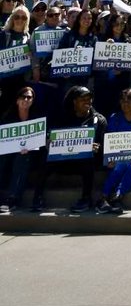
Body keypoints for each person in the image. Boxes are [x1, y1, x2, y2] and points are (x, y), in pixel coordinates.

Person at [31, 84, 107, 213]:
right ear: (74, 101)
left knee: (89, 159)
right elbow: (50, 136)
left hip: (83, 162)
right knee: (45, 157)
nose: (87, 102)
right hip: (62, 160)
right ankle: (37, 197)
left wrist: (96, 148)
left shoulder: (99, 120)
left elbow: (103, 149)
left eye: (89, 99)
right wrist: (49, 142)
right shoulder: (61, 116)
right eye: (83, 99)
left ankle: (86, 198)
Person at [97, 87, 131, 214]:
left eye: (129, 100)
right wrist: (110, 158)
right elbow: (110, 140)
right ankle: (104, 198)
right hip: (117, 157)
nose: (125, 103)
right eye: (123, 100)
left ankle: (117, 195)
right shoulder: (115, 118)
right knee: (120, 165)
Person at [0, 84, 44, 212]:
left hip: (31, 153)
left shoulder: (37, 116)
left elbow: (40, 140)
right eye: (23, 97)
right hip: (8, 152)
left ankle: (13, 198)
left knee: (21, 159)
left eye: (29, 97)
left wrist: (31, 147)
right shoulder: (7, 117)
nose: (26, 100)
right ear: (17, 100)